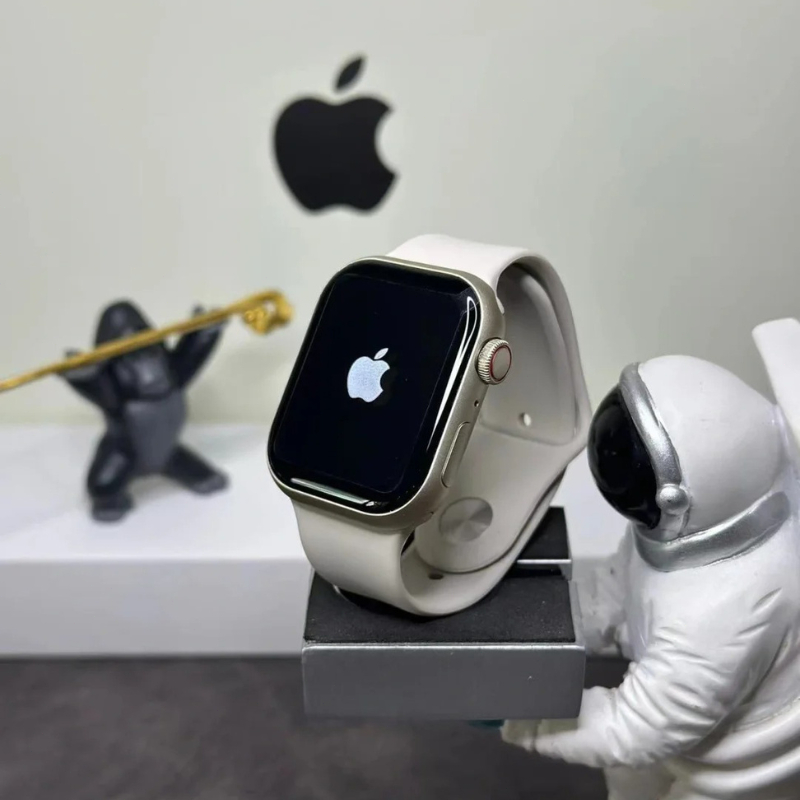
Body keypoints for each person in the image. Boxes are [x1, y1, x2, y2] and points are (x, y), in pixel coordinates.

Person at [501, 354, 800, 800]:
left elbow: (636, 726)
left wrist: (522, 716)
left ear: (676, 497)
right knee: (630, 779)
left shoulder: (727, 607)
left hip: (741, 765)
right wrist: (533, 631)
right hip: (685, 711)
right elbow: (617, 591)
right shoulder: (693, 521)